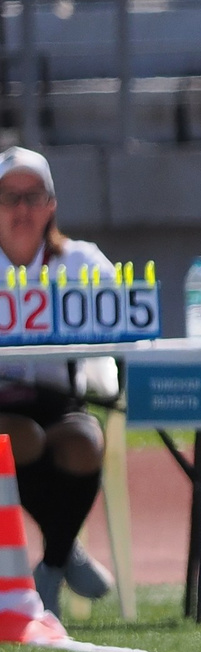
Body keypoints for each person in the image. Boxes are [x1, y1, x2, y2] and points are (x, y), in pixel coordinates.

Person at [0, 148, 121, 616]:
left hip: (61, 399)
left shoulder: (82, 262)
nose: (22, 209)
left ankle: (49, 565)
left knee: (84, 442)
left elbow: (124, 322)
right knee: (20, 437)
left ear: (51, 205)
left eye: (33, 196)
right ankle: (64, 549)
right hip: (5, 403)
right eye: (11, 197)